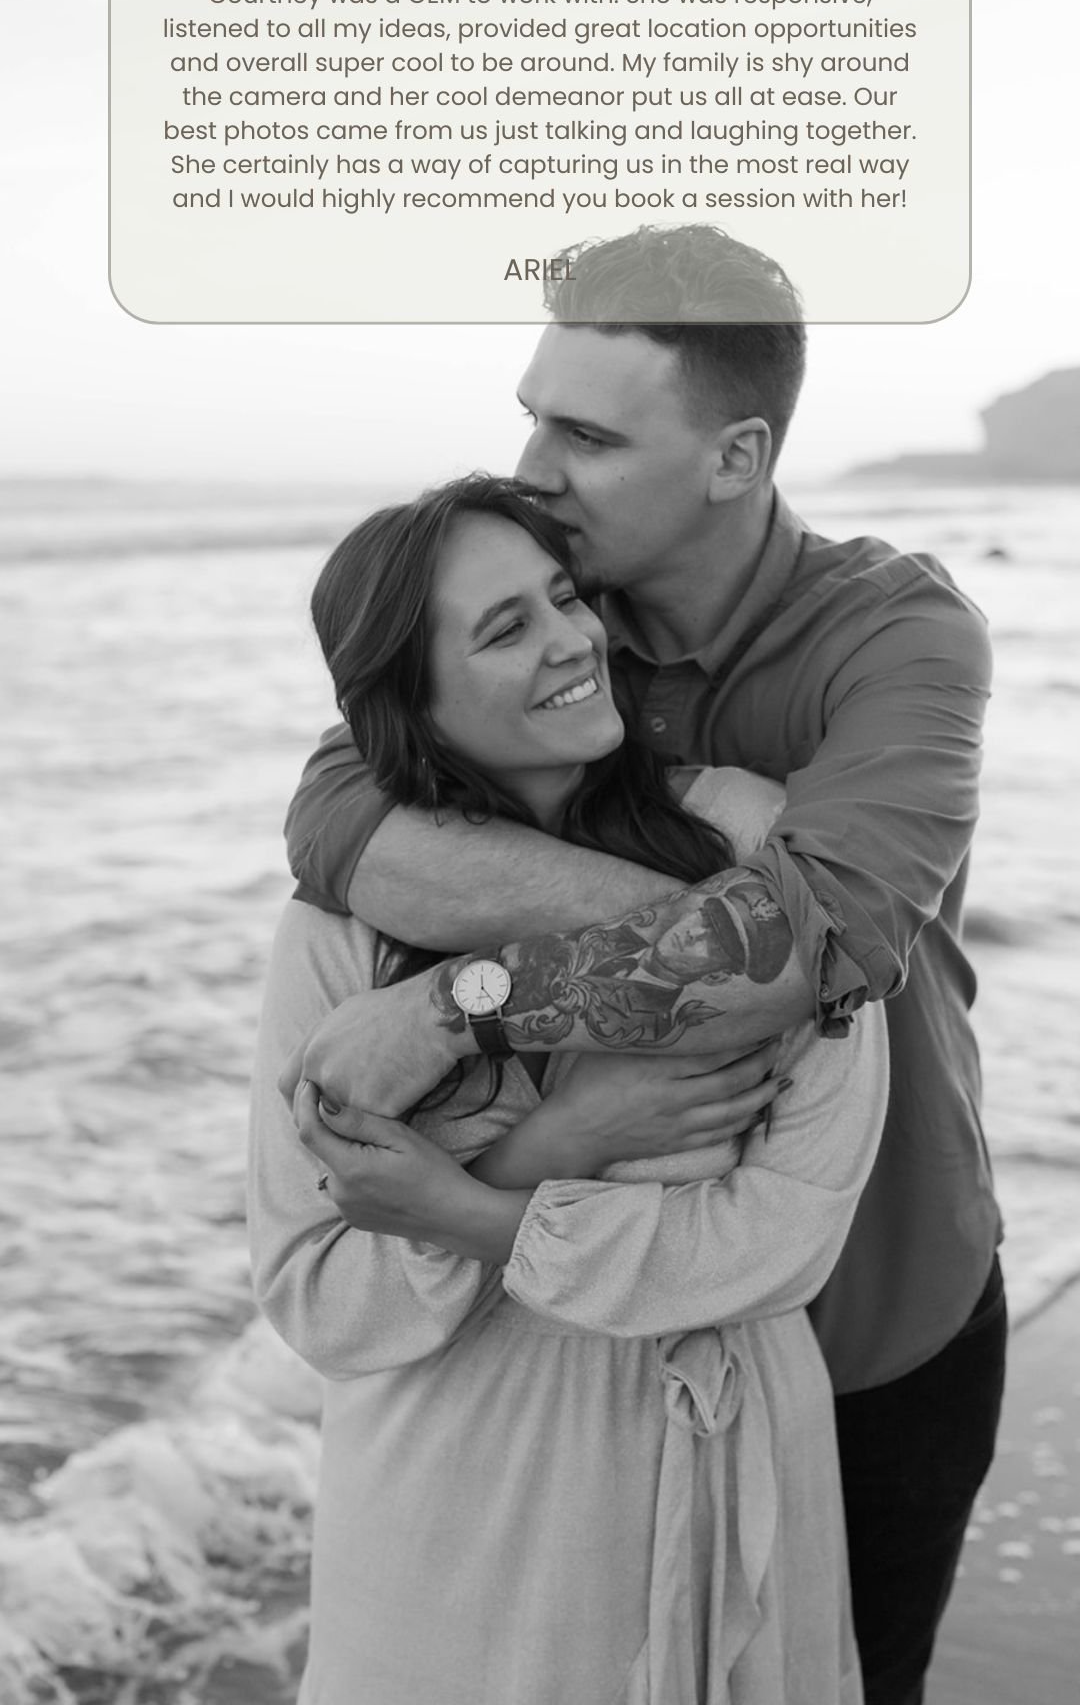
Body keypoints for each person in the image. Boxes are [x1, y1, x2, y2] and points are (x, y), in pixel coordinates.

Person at [281, 226, 1006, 1705]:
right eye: (535, 412)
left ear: (736, 457)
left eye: (589, 434)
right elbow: (338, 809)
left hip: (870, 1303)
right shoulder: (556, 610)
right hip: (587, 1342)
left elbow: (795, 946)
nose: (535, 462)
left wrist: (461, 1001)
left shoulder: (900, 638)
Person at [250, 475, 888, 1703]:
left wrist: (476, 1209)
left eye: (564, 597)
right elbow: (322, 1298)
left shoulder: (760, 852)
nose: (572, 640)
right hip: (455, 1505)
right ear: (411, 708)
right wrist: (561, 1139)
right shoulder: (343, 935)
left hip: (730, 1447)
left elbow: (792, 1234)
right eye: (504, 629)